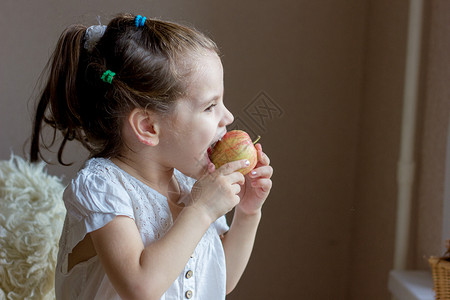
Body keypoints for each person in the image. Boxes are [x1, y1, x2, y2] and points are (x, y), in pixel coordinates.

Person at [30, 13, 273, 300]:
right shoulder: (102, 187)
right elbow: (139, 286)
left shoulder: (189, 186)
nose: (228, 116)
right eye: (210, 107)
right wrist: (202, 210)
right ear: (148, 127)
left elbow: (222, 279)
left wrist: (247, 212)